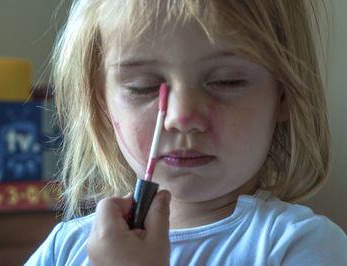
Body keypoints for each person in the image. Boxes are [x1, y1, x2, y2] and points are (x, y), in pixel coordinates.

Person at [26, 0, 347, 265]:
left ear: (283, 93)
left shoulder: (301, 246)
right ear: (103, 103)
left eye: (226, 81)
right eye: (144, 87)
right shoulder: (64, 250)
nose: (181, 118)